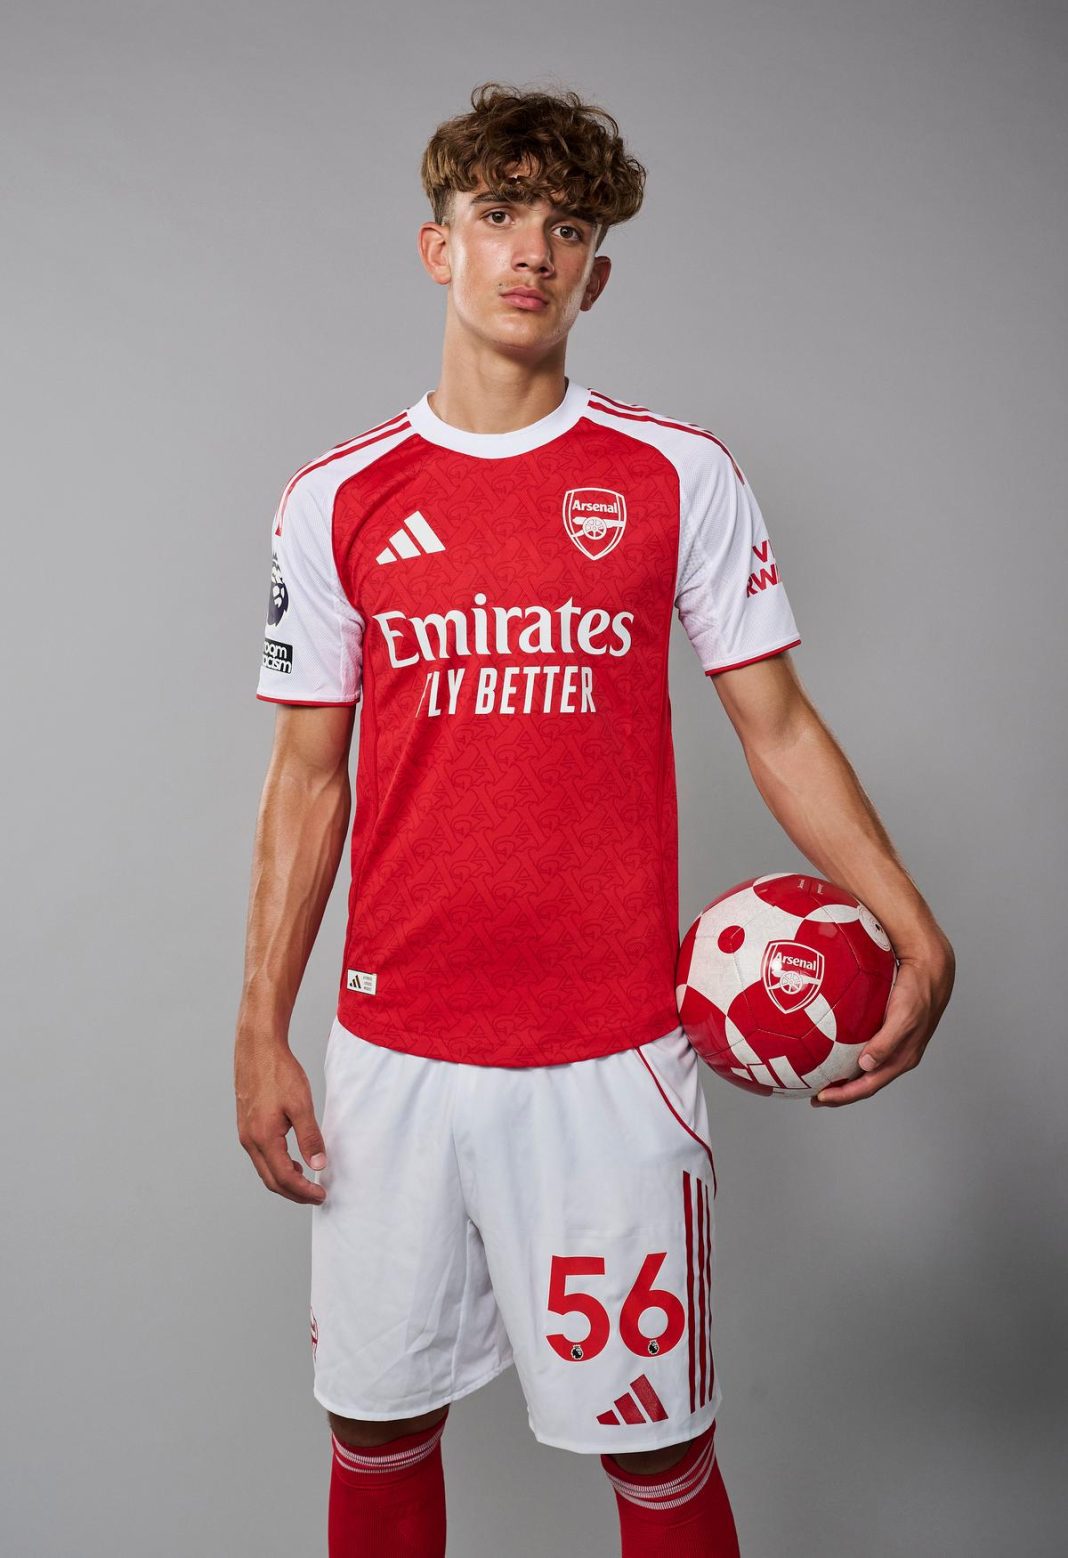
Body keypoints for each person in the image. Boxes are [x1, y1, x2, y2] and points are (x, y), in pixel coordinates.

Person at [234, 81, 955, 1558]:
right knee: (374, 1430)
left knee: (661, 1446)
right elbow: (308, 778)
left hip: (614, 1054)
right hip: (394, 1054)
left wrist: (914, 924)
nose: (532, 254)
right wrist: (260, 1025)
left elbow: (777, 724)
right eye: (499, 215)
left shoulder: (675, 474)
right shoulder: (336, 499)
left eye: (567, 229)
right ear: (438, 246)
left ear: (598, 274)